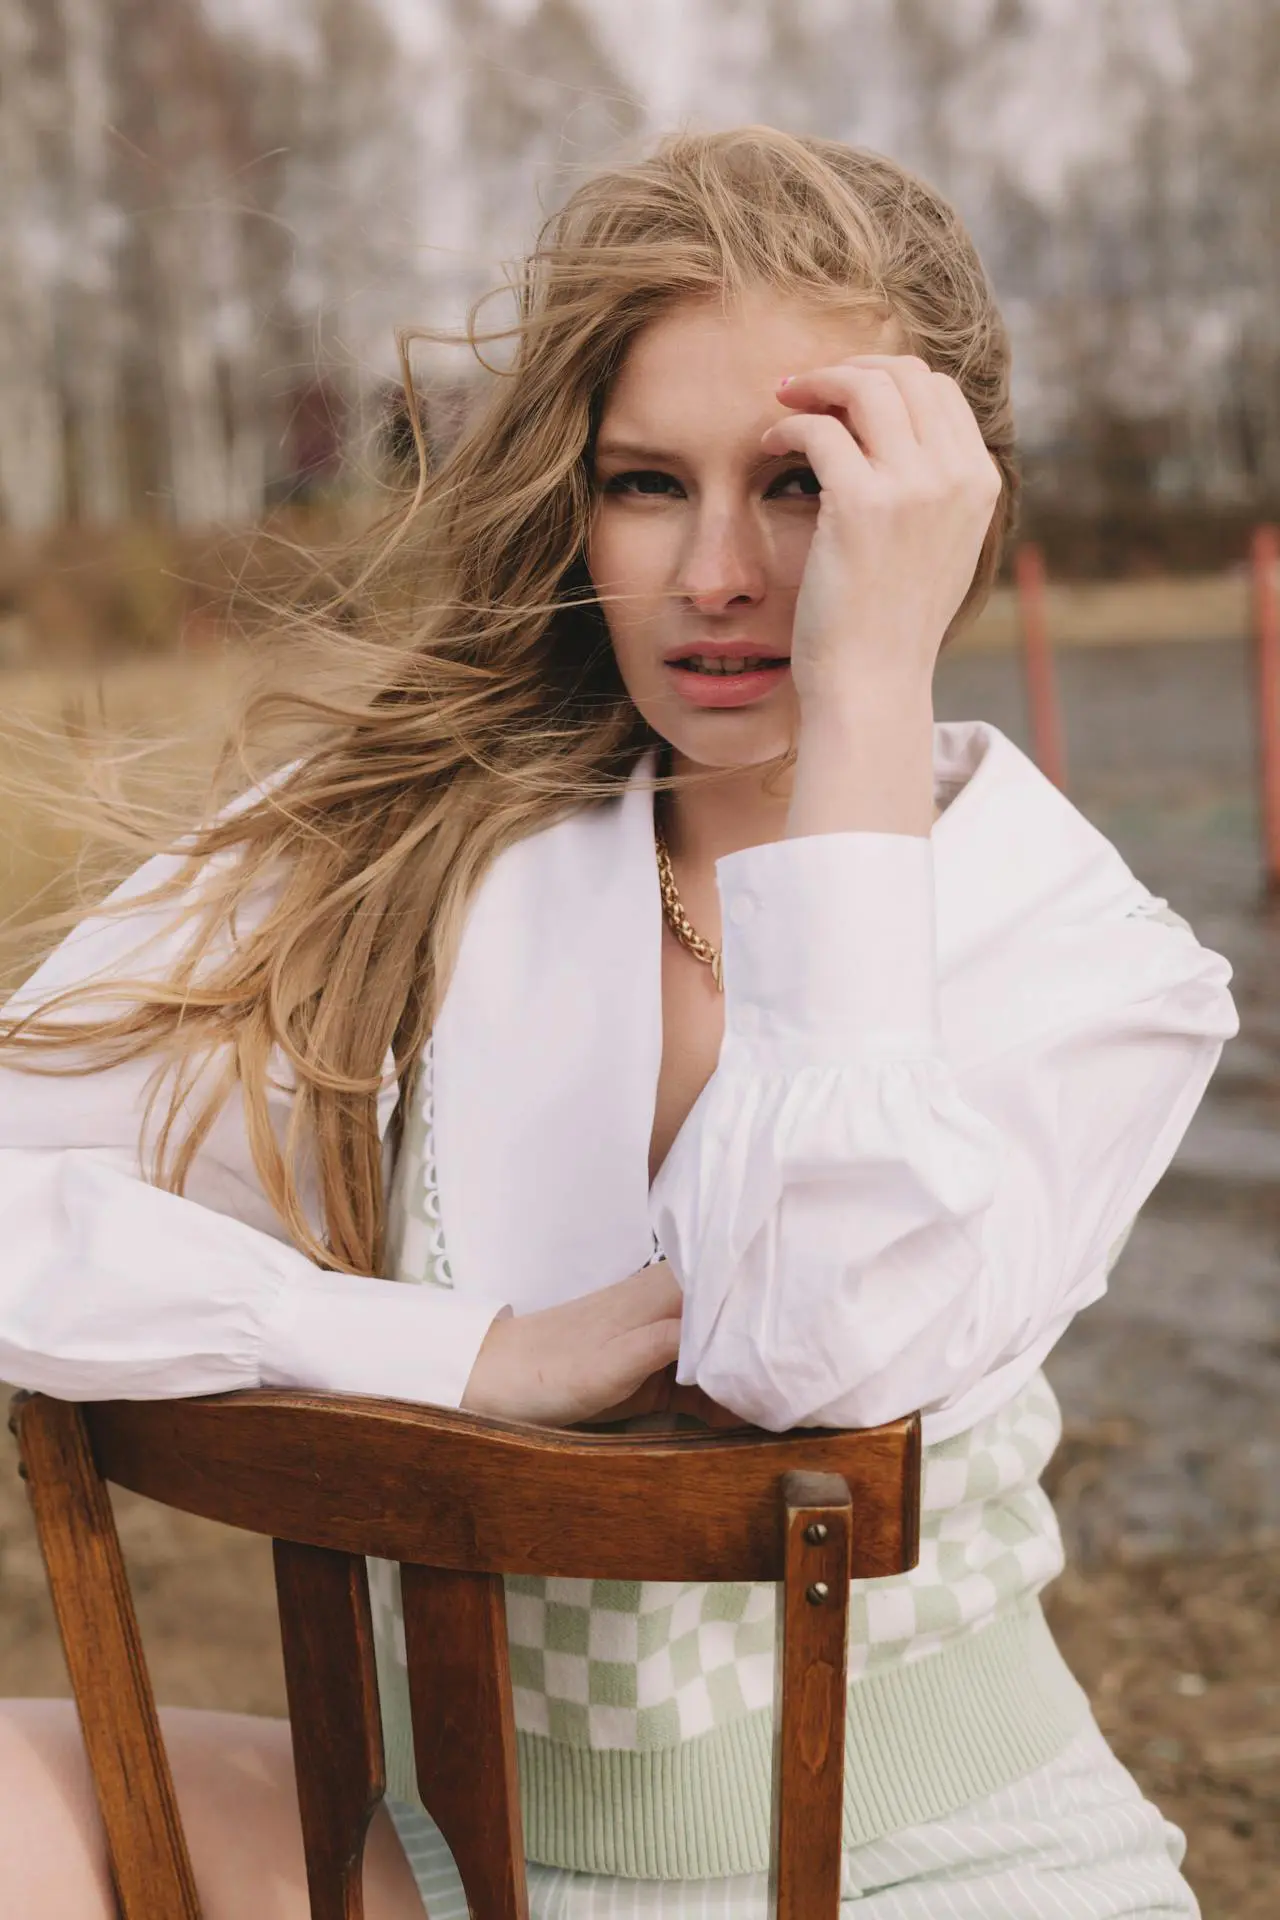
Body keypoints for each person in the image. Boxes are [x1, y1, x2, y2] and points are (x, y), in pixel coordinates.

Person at [0, 128, 1237, 1918]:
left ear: (944, 506)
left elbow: (812, 1363)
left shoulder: (1089, 960)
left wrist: (869, 690)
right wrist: (447, 1352)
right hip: (455, 1852)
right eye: (648, 483)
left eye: (802, 484)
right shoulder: (421, 851)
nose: (719, 574)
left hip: (935, 1866)